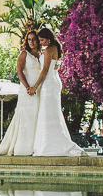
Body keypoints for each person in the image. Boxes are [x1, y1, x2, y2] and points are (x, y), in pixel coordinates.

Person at [0, 30, 43, 156]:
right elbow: (19, 72)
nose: (31, 42)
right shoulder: (24, 54)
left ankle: (36, 146)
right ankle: (23, 147)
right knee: (26, 117)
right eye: (29, 39)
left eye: (34, 39)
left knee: (37, 116)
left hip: (38, 89)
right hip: (27, 90)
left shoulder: (41, 54)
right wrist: (27, 87)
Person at [31, 27, 84, 157]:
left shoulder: (49, 49)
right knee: (50, 113)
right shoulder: (53, 48)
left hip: (49, 83)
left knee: (48, 113)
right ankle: (49, 143)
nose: (40, 42)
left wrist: (35, 86)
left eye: (42, 40)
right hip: (52, 80)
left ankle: (50, 145)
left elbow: (44, 71)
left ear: (48, 39)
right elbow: (55, 65)